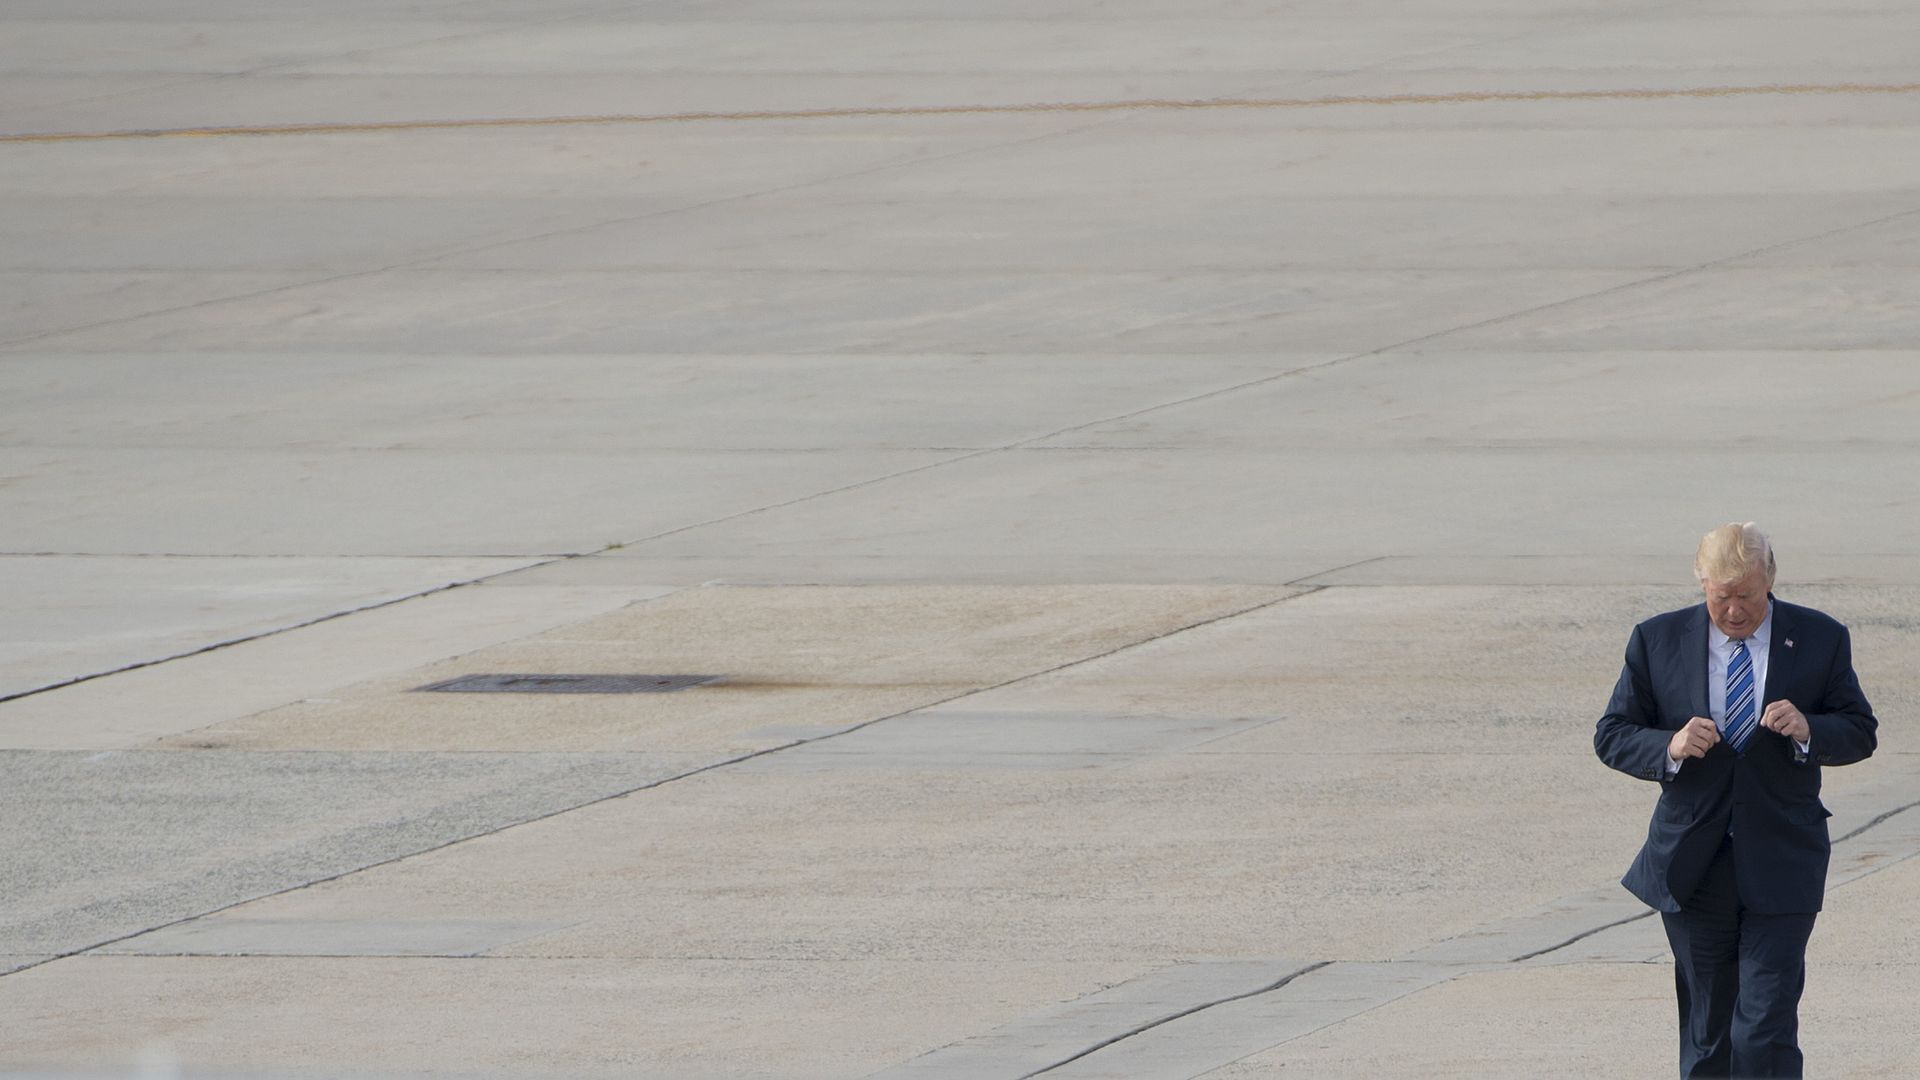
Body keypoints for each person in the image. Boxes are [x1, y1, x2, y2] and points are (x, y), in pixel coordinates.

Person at [1595, 522, 1876, 1078]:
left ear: (1769, 579)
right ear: (1702, 585)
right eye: (1721, 597)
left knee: (1764, 1026)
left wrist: (1808, 730)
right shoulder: (1657, 640)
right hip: (1694, 866)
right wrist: (1669, 745)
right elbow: (1612, 733)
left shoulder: (1819, 637)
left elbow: (1860, 730)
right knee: (1708, 1035)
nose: (1734, 611)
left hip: (1782, 858)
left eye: (1746, 595)